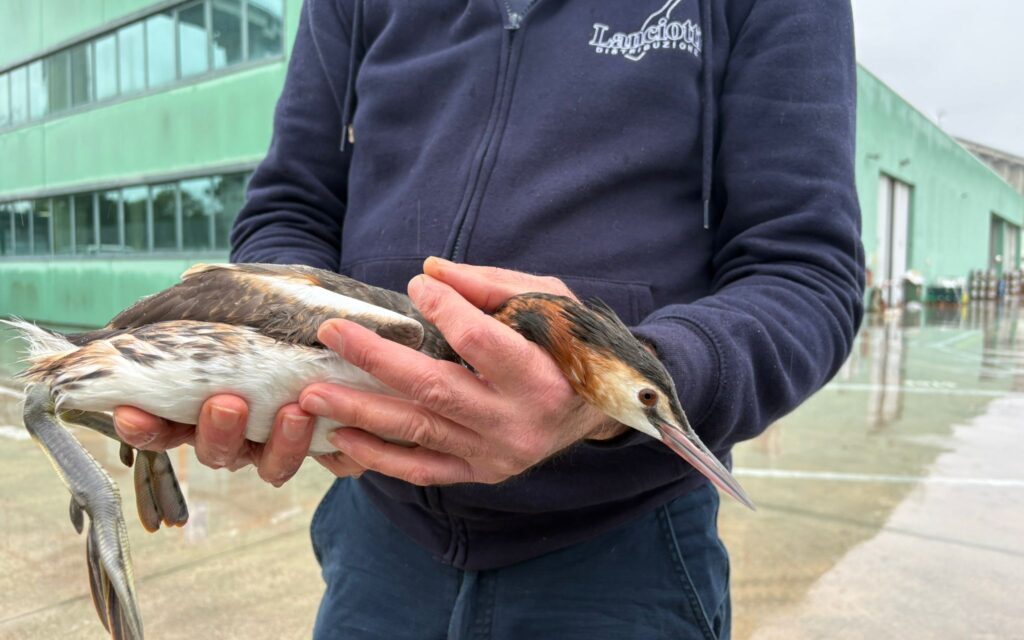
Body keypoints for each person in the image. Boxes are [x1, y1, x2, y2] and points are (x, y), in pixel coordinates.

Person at [113, 0, 864, 637]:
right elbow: (290, 209)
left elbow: (805, 273)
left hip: (628, 556)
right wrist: (280, 363)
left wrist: (611, 398)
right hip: (375, 538)